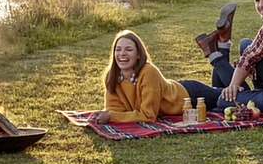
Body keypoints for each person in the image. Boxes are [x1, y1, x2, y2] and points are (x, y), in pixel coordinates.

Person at [88, 29, 221, 124]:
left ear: (139, 54)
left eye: (128, 50)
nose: (122, 54)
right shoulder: (112, 76)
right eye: (118, 49)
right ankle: (220, 49)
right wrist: (102, 115)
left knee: (233, 96)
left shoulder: (148, 72)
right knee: (228, 90)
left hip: (189, 95)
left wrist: (110, 116)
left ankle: (218, 50)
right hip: (168, 88)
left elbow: (148, 115)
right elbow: (115, 110)